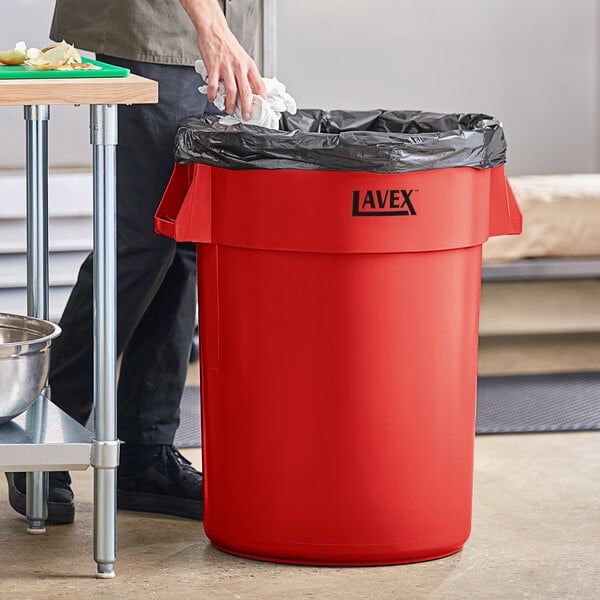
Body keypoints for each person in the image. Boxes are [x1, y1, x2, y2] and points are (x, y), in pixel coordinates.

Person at [6, 0, 265, 524]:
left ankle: (145, 452)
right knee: (146, 239)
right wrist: (209, 24)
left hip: (209, 29)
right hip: (165, 28)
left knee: (185, 241)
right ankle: (47, 429)